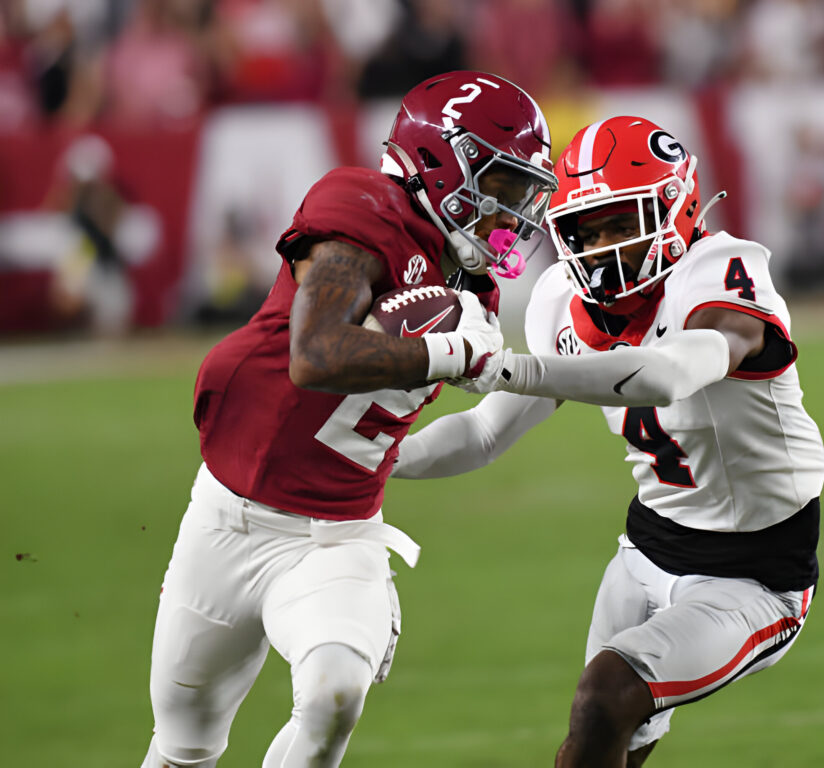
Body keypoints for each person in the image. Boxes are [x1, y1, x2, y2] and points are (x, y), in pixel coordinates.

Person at [140, 70, 558, 768]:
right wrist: (445, 351)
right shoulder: (362, 206)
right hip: (226, 518)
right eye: (501, 187)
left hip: (336, 537)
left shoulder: (471, 290)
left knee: (334, 692)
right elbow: (317, 353)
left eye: (521, 194)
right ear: (441, 160)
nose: (511, 215)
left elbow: (476, 420)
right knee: (184, 746)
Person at [393, 115, 824, 767]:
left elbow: (669, 374)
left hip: (754, 573)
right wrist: (369, 462)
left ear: (678, 209)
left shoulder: (720, 271)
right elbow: (486, 432)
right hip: (646, 545)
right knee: (601, 737)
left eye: (623, 222)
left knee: (606, 696)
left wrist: (501, 366)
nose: (603, 248)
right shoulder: (558, 299)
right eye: (586, 230)